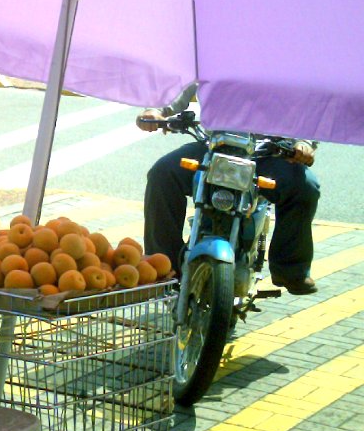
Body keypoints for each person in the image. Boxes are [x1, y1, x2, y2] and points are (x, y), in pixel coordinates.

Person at [137, 82, 321, 295]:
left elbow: (309, 105)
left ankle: (290, 270)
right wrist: (157, 110)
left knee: (306, 186)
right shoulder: (217, 57)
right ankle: (164, 266)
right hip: (214, 147)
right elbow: (184, 85)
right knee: (162, 174)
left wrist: (305, 143)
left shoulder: (284, 64)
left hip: (269, 153)